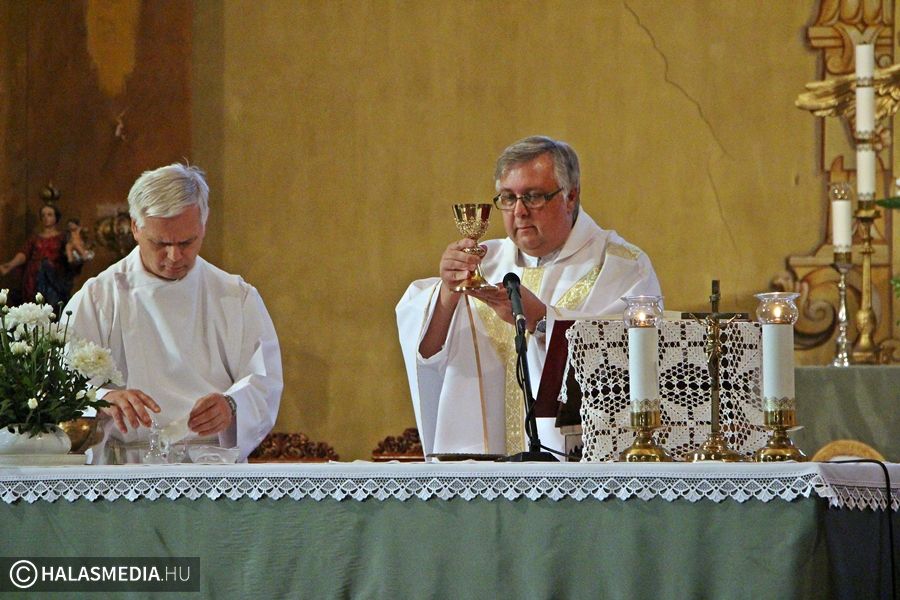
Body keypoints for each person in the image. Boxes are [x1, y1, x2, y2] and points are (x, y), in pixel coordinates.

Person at [396, 136, 662, 458]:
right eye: (508, 198)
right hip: (480, 471)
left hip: (574, 468)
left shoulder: (620, 266)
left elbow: (630, 365)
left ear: (570, 196)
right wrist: (447, 295)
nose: (519, 211)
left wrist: (541, 320)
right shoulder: (483, 263)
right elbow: (426, 355)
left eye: (533, 197)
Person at [64, 163, 283, 463]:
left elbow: (263, 381)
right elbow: (61, 384)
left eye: (186, 242)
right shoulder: (98, 297)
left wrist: (231, 406)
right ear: (135, 227)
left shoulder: (235, 297)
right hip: (125, 469)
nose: (174, 256)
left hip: (211, 467)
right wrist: (104, 399)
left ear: (203, 224)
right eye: (160, 243)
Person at [0, 202, 77, 307]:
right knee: (34, 304)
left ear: (56, 217)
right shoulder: (35, 238)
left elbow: (72, 254)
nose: (46, 218)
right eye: (43, 215)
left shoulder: (63, 237)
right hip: (33, 277)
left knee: (53, 305)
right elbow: (24, 253)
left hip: (54, 277)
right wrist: (11, 264)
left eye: (49, 215)